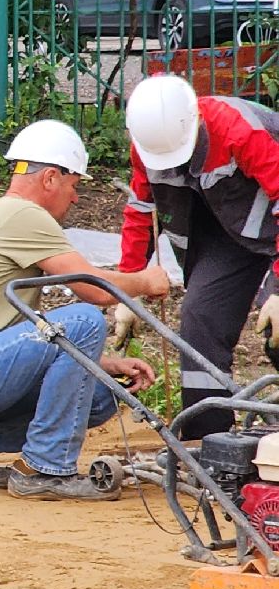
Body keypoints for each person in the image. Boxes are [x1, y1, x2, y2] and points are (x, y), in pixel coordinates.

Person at [0, 119, 171, 500]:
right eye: (74, 186)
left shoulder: (7, 215)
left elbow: (28, 335)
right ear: (50, 178)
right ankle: (46, 469)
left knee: (101, 393)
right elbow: (91, 287)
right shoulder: (23, 215)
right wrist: (146, 281)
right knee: (85, 321)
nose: (75, 198)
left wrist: (104, 364)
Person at [117, 74, 279, 440]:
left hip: (267, 222)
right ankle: (208, 442)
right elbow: (141, 211)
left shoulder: (240, 130)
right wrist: (128, 288)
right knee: (200, 317)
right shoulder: (148, 143)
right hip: (233, 234)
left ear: (198, 122)